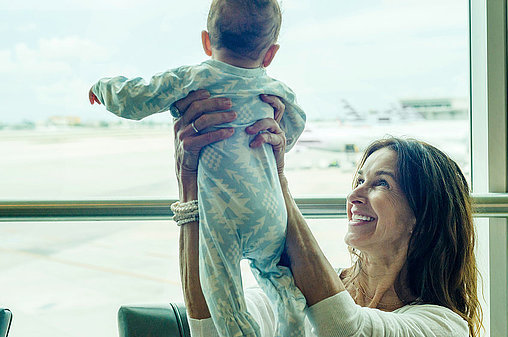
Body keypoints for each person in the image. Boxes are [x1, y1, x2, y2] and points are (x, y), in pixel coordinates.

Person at [89, 0, 307, 336]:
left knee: (223, 292)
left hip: (224, 214)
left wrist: (103, 87)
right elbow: (292, 128)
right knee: (279, 279)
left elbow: (137, 98)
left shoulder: (196, 78)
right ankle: (293, 321)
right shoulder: (275, 90)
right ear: (270, 54)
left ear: (207, 41)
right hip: (270, 210)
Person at [172, 92, 483, 337]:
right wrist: (191, 182)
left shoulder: (443, 325)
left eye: (381, 184)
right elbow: (212, 328)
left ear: (423, 215)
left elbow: (347, 330)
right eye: (359, 180)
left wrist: (276, 176)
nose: (354, 195)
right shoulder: (296, 290)